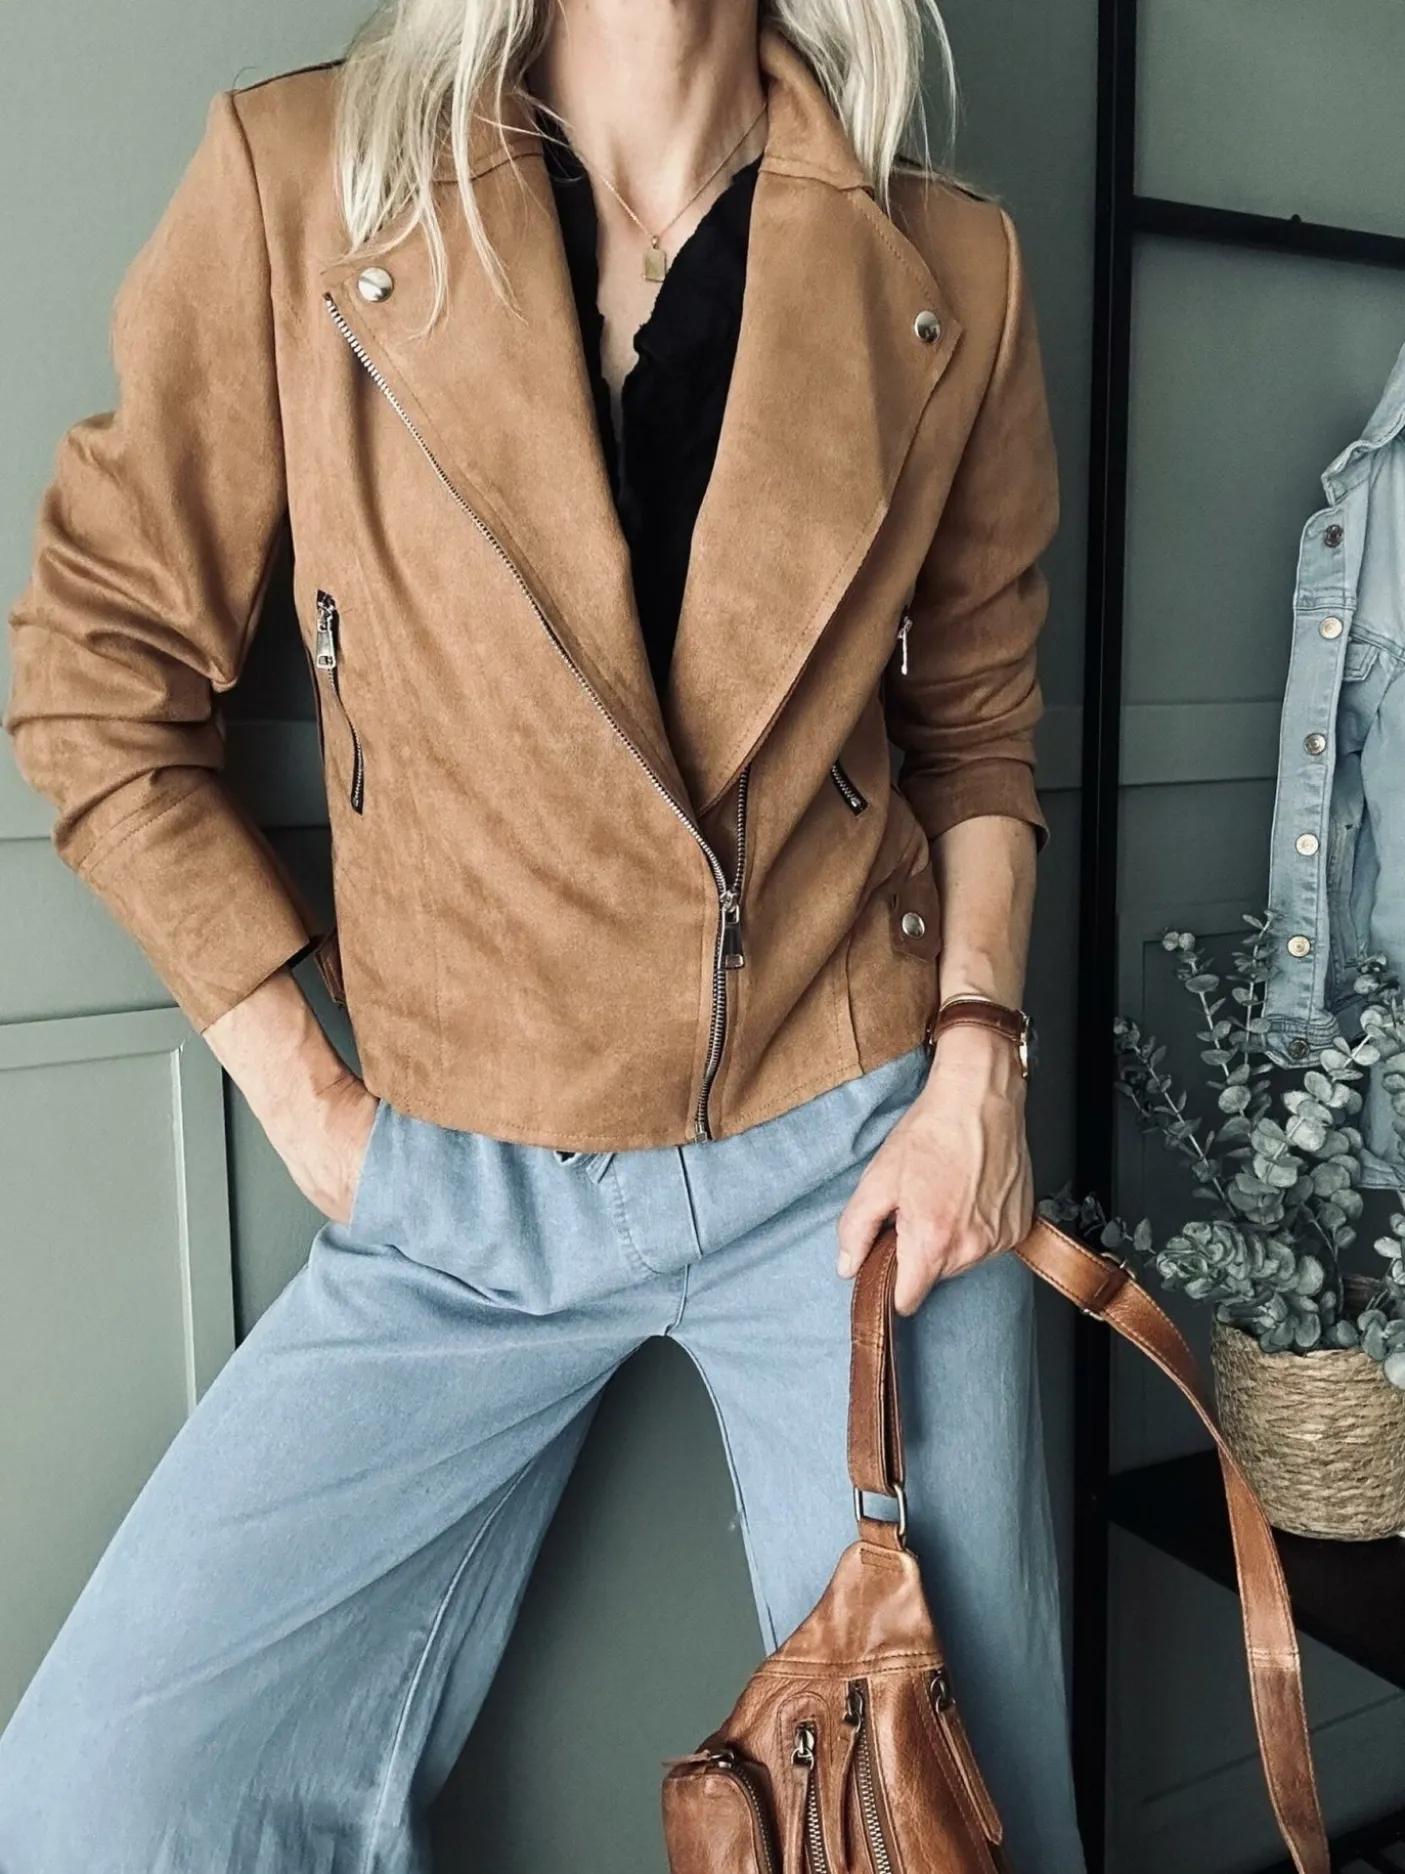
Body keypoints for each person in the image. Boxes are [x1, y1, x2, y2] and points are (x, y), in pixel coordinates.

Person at [0, 0, 1087, 1867]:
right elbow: (97, 678)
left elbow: (978, 727)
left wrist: (976, 1065)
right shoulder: (305, 181)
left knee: (957, 1827)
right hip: (462, 1185)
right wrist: (319, 1112)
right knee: (108, 1805)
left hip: (853, 1169)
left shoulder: (948, 262)